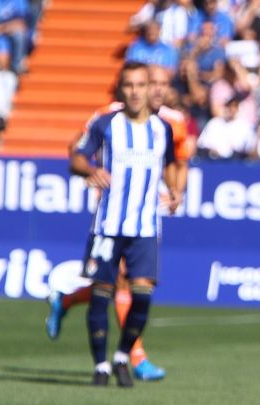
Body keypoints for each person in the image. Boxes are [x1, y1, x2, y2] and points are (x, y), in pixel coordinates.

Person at [46, 65, 190, 381]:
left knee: (141, 294)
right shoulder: (105, 123)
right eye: (131, 85)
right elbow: (77, 156)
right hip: (108, 224)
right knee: (103, 292)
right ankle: (101, 366)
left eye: (143, 85)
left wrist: (176, 191)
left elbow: (168, 164)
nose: (138, 91)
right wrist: (89, 171)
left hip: (145, 226)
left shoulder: (163, 128)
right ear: (121, 89)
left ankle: (124, 354)